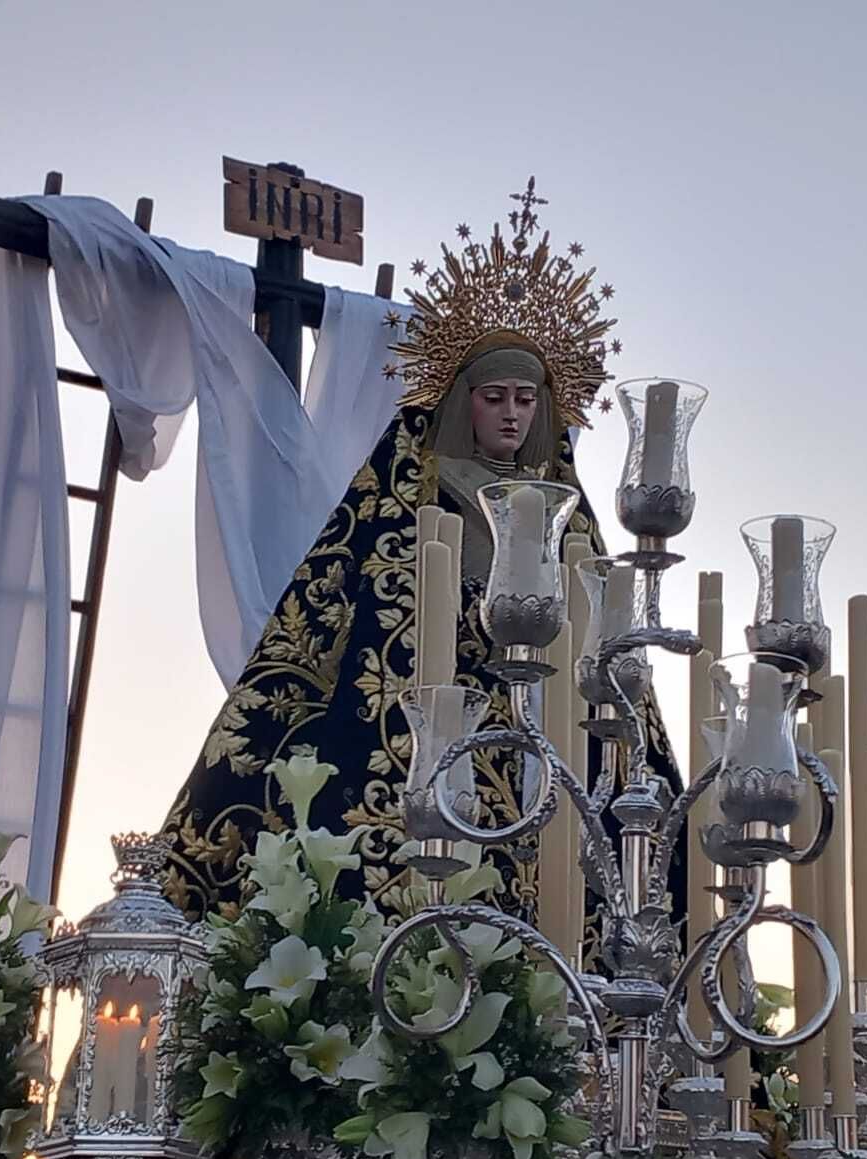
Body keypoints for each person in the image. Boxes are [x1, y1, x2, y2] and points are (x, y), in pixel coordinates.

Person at [161, 185, 682, 945]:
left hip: (558, 747)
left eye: (526, 402)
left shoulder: (573, 517)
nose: (511, 415)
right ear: (462, 402)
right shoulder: (413, 496)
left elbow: (608, 652)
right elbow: (344, 614)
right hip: (435, 733)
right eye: (494, 397)